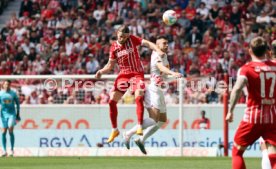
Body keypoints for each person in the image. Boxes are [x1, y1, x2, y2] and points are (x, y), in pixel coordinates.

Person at [95, 25, 165, 143]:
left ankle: (139, 125)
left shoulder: (132, 39)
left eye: (125, 37)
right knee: (111, 101)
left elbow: (147, 43)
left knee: (139, 97)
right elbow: (110, 66)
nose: (123, 39)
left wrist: (158, 50)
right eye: (121, 36)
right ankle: (115, 130)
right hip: (124, 75)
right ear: (117, 33)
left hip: (137, 74)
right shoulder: (114, 47)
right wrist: (101, 71)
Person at [123, 36, 182, 154]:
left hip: (159, 90)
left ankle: (141, 139)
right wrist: (172, 72)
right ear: (157, 45)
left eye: (167, 43)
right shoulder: (156, 54)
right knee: (154, 119)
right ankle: (128, 133)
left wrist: (172, 77)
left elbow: (163, 76)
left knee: (162, 120)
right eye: (164, 43)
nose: (167, 45)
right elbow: (160, 67)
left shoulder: (165, 56)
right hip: (153, 90)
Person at [226, 37, 276, 169]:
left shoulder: (246, 69)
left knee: (237, 151)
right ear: (266, 50)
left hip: (252, 118)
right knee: (273, 152)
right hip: (272, 118)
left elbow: (237, 89)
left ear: (250, 51)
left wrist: (230, 111)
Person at [0, 80, 20, 157]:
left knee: (10, 129)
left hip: (11, 114)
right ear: (3, 85)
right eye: (5, 84)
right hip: (3, 115)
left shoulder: (13, 93)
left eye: (8, 84)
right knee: (3, 131)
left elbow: (18, 104)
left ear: (10, 85)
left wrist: (18, 113)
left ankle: (12, 149)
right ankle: (4, 151)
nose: (7, 85)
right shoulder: (1, 93)